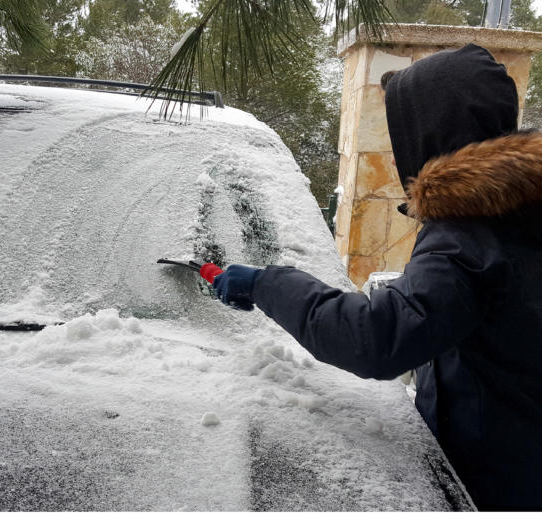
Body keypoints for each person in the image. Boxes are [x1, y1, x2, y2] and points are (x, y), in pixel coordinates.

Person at [211, 44, 542, 511]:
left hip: (498, 483)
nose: (393, 156)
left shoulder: (468, 236)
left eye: (399, 136)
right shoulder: (520, 211)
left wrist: (265, 283)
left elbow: (377, 337)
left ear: (430, 132)